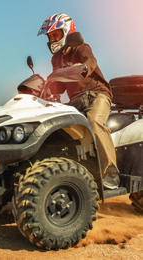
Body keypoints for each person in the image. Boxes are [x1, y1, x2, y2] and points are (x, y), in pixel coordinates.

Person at [37, 13, 120, 189]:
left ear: (67, 32)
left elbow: (90, 60)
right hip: (76, 101)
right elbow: (58, 88)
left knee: (94, 123)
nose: (52, 39)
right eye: (50, 36)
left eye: (55, 34)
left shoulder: (80, 47)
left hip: (97, 94)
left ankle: (111, 174)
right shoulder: (56, 58)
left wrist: (83, 67)